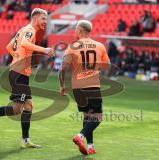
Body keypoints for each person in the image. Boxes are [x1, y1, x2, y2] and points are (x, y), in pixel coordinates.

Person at [0, 8, 54, 148]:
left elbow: (9, 46)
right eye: (43, 18)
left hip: (19, 72)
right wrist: (44, 50)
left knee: (27, 106)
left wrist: (19, 59)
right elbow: (23, 44)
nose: (45, 22)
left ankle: (25, 140)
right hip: (19, 74)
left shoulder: (23, 29)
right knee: (17, 108)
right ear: (35, 18)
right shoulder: (30, 30)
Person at [59, 20, 110, 155]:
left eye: (76, 30)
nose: (75, 32)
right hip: (92, 85)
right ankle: (80, 136)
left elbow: (62, 68)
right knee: (97, 117)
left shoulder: (72, 46)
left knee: (88, 115)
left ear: (80, 31)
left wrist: (62, 85)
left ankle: (90, 146)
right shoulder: (100, 46)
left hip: (77, 88)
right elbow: (107, 66)